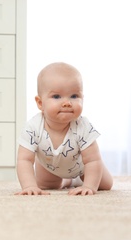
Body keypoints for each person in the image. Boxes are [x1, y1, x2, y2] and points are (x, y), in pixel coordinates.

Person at [15, 62, 113, 196]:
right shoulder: (32, 127)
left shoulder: (83, 127)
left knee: (106, 185)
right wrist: (29, 186)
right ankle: (67, 181)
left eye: (74, 96)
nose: (67, 103)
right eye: (56, 96)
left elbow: (92, 160)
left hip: (82, 166)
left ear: (82, 99)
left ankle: (77, 180)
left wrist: (89, 186)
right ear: (40, 103)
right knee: (45, 186)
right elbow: (24, 160)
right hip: (48, 164)